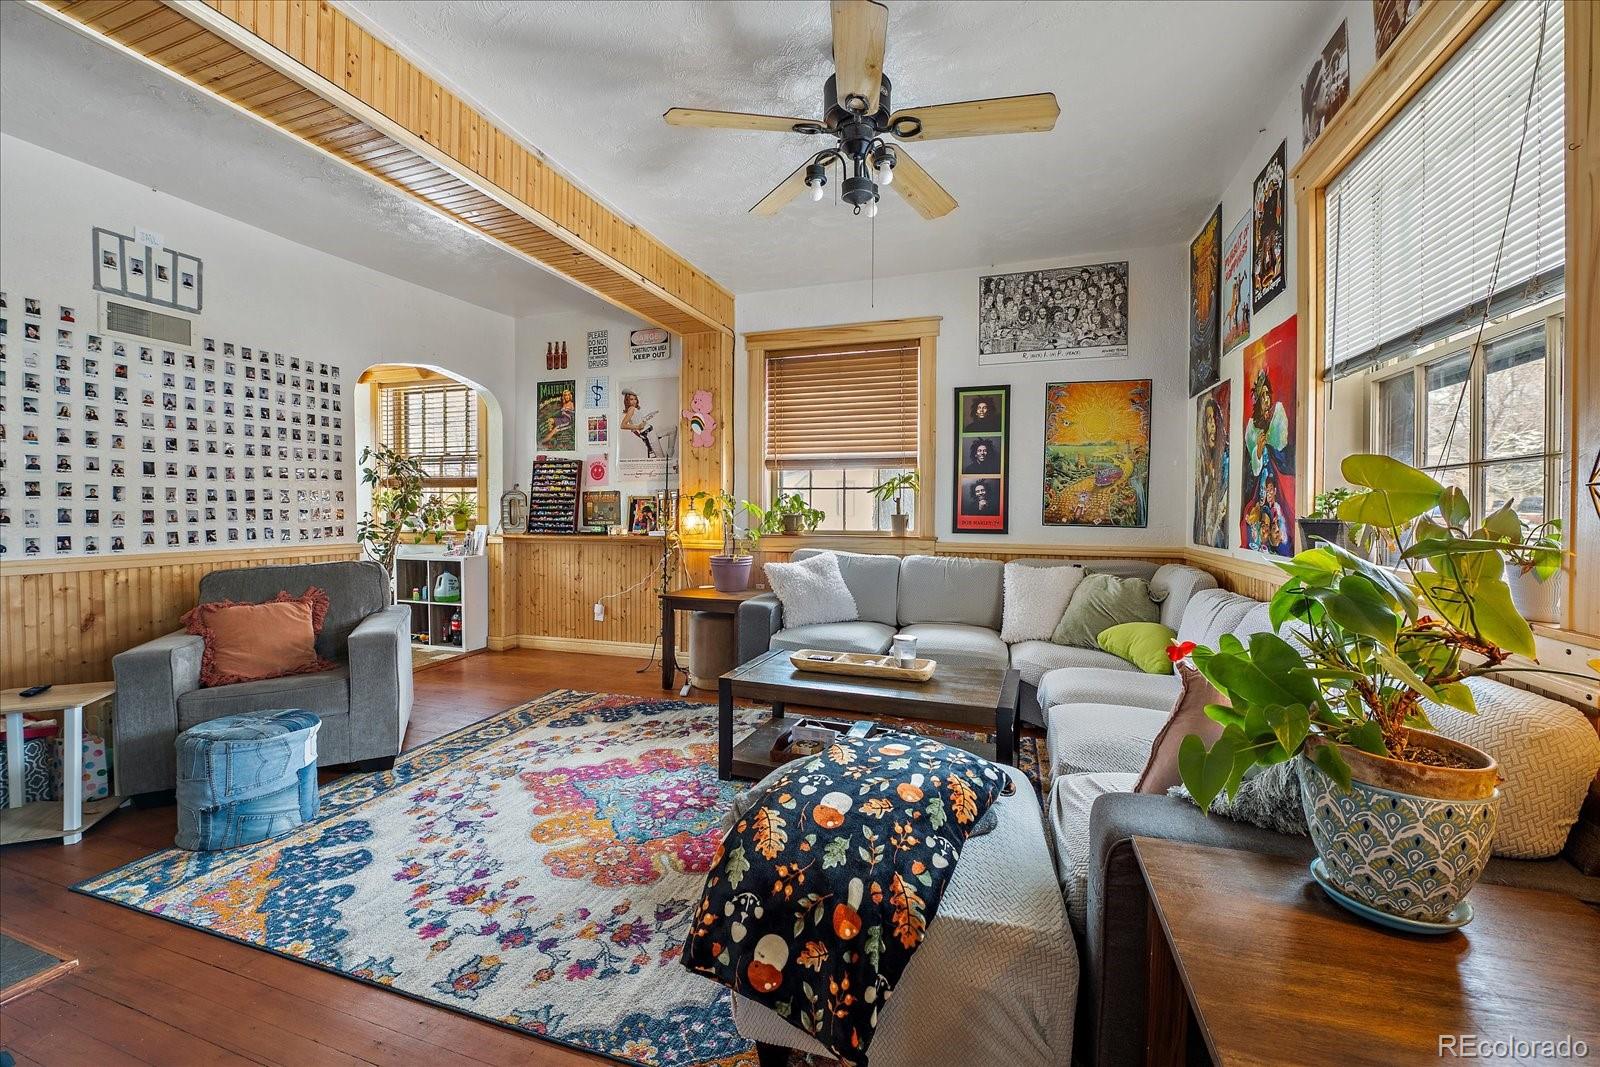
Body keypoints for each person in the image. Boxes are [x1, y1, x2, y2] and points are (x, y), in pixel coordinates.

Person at [621, 389, 658, 458]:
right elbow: (623, 425)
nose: (634, 401)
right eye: (631, 399)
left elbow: (633, 429)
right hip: (648, 432)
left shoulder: (633, 410)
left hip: (647, 432)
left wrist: (641, 436)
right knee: (657, 456)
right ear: (627, 400)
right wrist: (638, 427)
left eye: (635, 399)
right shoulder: (631, 409)